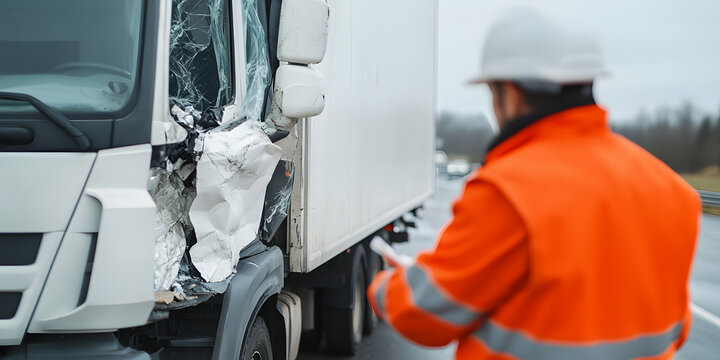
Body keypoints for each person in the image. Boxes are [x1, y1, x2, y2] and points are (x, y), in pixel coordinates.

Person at [367, 9, 700, 360]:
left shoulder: (507, 192)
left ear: (508, 93)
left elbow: (425, 313)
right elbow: (677, 325)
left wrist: (384, 283)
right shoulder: (673, 193)